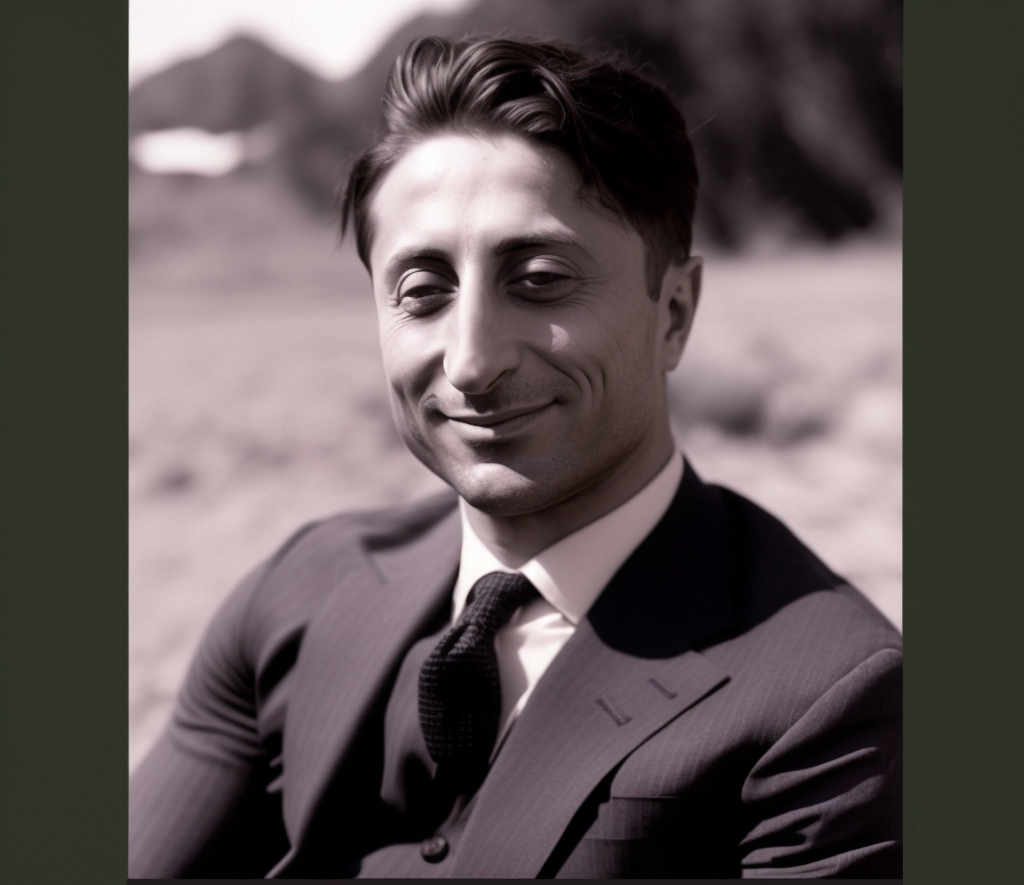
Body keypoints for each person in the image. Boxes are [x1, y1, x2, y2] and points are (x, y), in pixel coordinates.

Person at [129, 35, 901, 879]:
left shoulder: (833, 698)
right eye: (423, 292)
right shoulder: (296, 594)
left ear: (674, 312)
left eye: (538, 280)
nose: (471, 361)